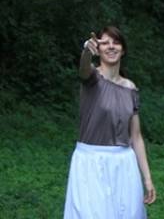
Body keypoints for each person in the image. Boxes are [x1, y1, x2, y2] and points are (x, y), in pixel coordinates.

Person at [64, 26, 156, 219]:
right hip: (90, 162)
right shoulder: (91, 78)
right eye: (105, 42)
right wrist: (86, 51)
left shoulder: (131, 88)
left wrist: (147, 179)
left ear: (123, 49)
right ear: (98, 49)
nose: (111, 47)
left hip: (124, 163)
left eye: (116, 42)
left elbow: (136, 138)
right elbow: (83, 68)